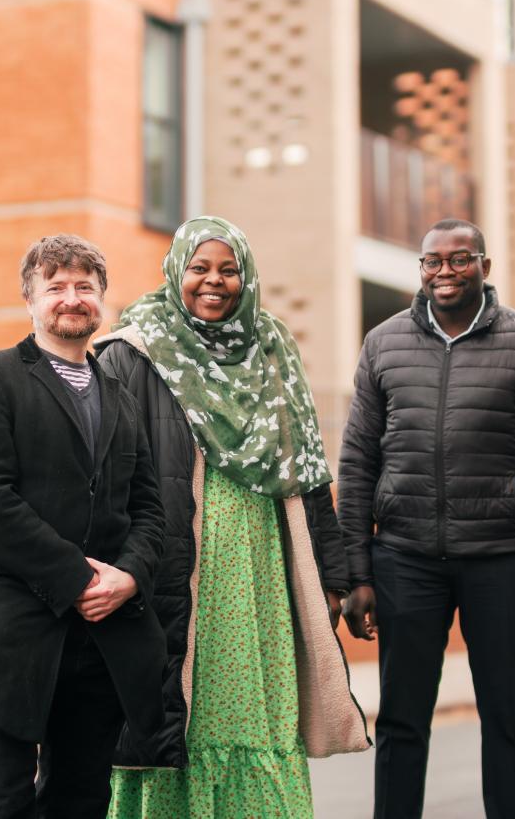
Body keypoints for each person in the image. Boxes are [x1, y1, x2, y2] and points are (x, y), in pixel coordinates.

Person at [96, 216, 369, 819]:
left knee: (260, 712)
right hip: (178, 563)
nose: (213, 282)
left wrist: (336, 576)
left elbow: (310, 472)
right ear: (176, 272)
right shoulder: (132, 350)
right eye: (199, 268)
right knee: (177, 709)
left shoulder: (271, 348)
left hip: (264, 566)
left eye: (228, 270)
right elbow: (108, 476)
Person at [337, 218, 515, 819]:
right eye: (431, 262)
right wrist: (355, 574)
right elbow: (357, 461)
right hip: (404, 559)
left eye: (459, 259)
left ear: (485, 267)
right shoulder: (384, 343)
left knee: (506, 718)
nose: (443, 272)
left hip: (501, 560)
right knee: (400, 720)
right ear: (419, 270)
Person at [0, 234, 167, 819]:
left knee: (81, 799)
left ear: (102, 300)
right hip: (19, 629)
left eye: (85, 288)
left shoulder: (121, 397)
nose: (72, 299)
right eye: (56, 288)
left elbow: (149, 508)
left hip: (102, 640)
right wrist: (77, 580)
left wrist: (128, 578)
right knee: (2, 800)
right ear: (30, 300)